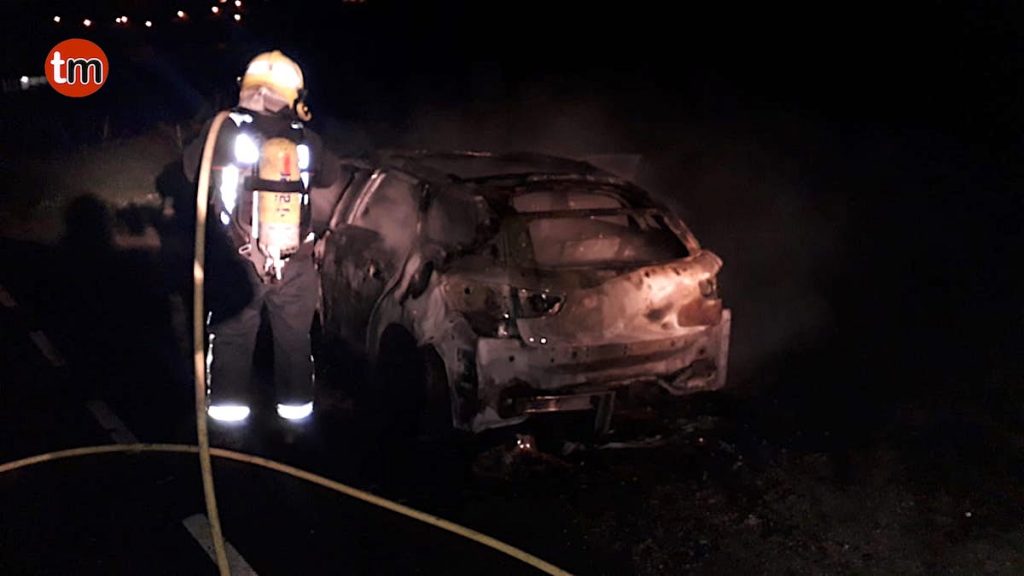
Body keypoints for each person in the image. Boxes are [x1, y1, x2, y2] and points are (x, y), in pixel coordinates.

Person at [182, 50, 340, 426]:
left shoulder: (224, 129)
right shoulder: (305, 138)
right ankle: (297, 422)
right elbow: (330, 176)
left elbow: (191, 172)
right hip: (295, 262)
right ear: (292, 94)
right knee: (295, 342)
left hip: (238, 260)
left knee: (234, 339)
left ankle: (228, 427)